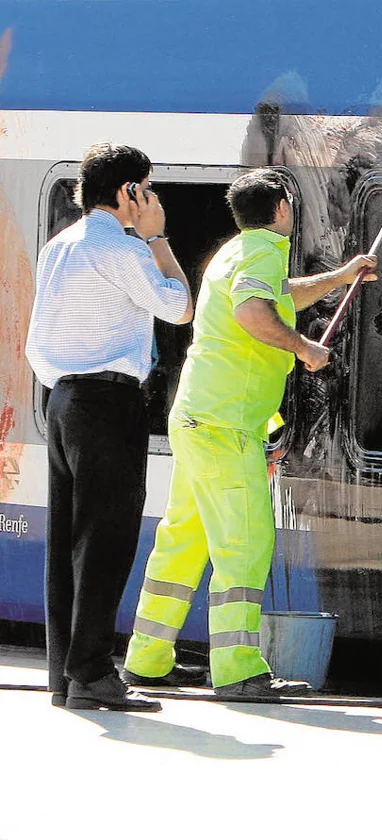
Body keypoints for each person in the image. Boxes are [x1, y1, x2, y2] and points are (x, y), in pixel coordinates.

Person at [123, 168, 377, 697]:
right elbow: (252, 311)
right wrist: (302, 348)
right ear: (282, 208)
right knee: (244, 544)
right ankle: (238, 670)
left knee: (183, 541)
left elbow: (278, 295)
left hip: (197, 416)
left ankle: (146, 660)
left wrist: (340, 276)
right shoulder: (264, 250)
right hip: (228, 425)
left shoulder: (237, 251)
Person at [26, 142, 195, 711]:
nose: (151, 200)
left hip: (63, 397)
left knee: (67, 542)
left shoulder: (59, 245)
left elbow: (36, 340)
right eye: (146, 189)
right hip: (107, 403)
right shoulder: (119, 248)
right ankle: (94, 673)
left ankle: (66, 677)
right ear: (129, 193)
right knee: (106, 540)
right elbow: (178, 307)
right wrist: (156, 237)